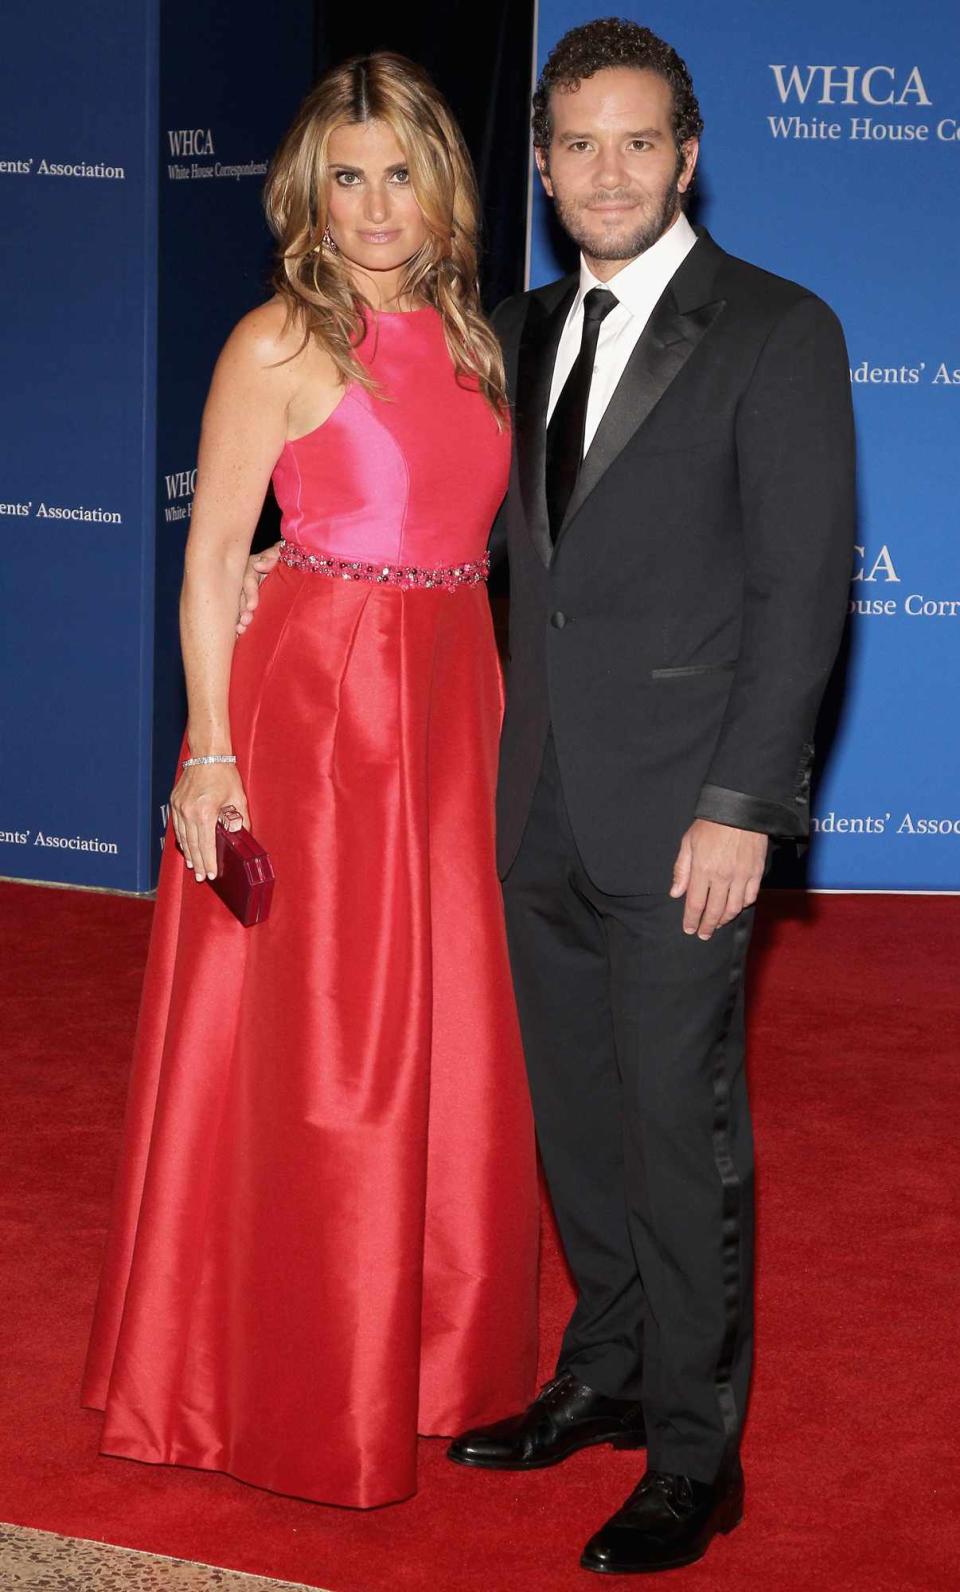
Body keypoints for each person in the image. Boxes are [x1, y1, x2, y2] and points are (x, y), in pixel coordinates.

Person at [81, 52, 539, 1511]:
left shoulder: (483, 340)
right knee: (327, 1052)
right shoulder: (275, 342)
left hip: (457, 694)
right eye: (348, 176)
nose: (376, 203)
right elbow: (217, 555)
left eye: (401, 170)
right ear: (307, 194)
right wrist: (209, 751)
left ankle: (437, 1356)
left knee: (458, 1028)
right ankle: (273, 1366)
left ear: (443, 186)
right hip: (320, 718)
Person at [443, 17, 855, 1576]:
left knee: (682, 1134)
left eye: (637, 141)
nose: (606, 170)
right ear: (541, 168)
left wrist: (744, 802)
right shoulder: (517, 327)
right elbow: (460, 534)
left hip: (688, 812)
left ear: (688, 157)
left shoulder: (775, 327)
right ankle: (604, 1370)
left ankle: (696, 1450)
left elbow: (801, 589)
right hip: (535, 793)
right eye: (576, 144)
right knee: (580, 1123)